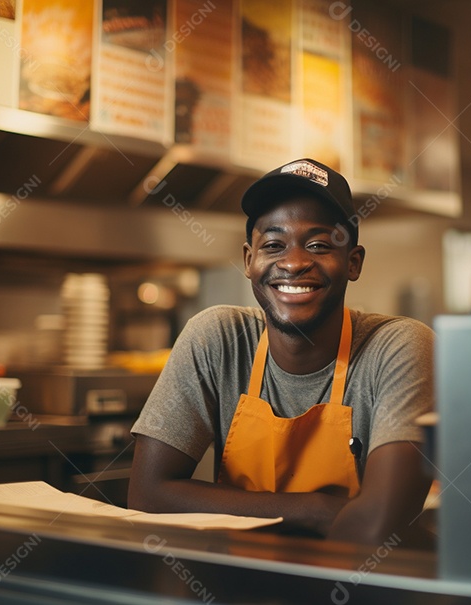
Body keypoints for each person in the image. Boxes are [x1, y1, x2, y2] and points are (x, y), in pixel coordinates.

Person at [128, 158, 435, 545]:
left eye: (319, 245)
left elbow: (379, 525)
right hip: (242, 582)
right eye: (273, 245)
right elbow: (147, 496)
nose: (293, 263)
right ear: (248, 260)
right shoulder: (217, 338)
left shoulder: (399, 347)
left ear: (352, 263)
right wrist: (317, 510)